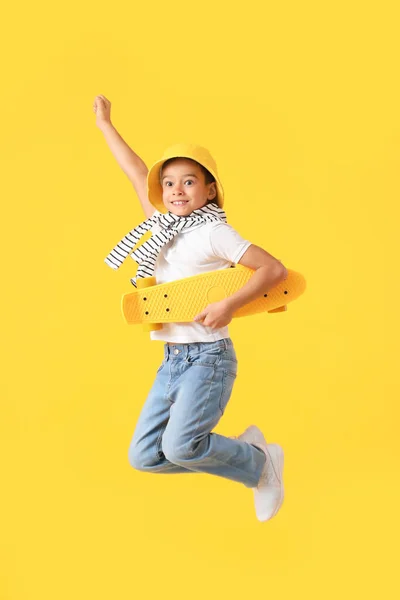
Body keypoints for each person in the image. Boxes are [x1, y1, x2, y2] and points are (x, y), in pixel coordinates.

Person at [93, 94, 288, 522]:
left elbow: (272, 269)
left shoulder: (215, 232)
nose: (176, 190)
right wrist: (105, 124)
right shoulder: (164, 223)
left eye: (189, 182)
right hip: (171, 359)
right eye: (169, 183)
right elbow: (135, 171)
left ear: (210, 188)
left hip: (208, 358)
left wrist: (229, 306)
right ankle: (249, 454)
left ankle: (258, 464)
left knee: (181, 447)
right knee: (146, 456)